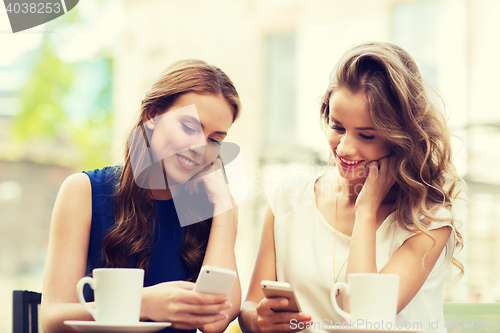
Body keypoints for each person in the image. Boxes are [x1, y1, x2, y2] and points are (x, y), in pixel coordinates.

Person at [239, 42, 463, 333]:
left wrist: (365, 212)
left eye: (366, 135)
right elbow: (249, 308)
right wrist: (259, 321)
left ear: (400, 139)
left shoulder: (429, 223)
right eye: (337, 127)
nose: (344, 148)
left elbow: (365, 320)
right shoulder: (288, 198)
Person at [41, 60, 242, 333]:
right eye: (188, 126)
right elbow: (52, 320)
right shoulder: (83, 191)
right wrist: (141, 305)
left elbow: (215, 321)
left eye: (215, 140)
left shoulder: (214, 207)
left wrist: (222, 209)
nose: (199, 148)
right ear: (152, 117)